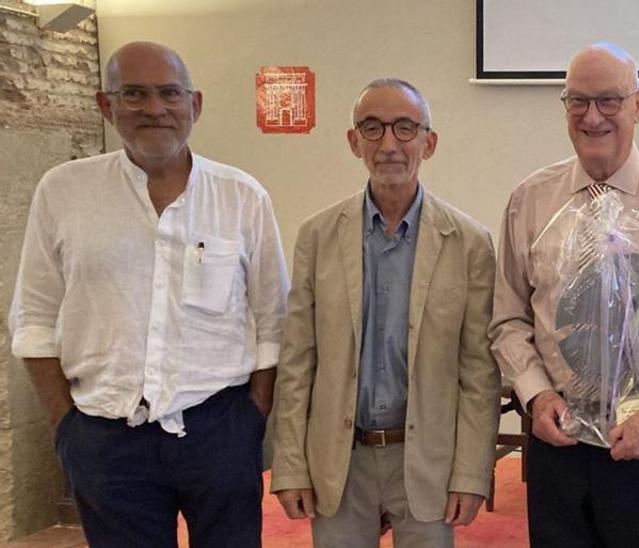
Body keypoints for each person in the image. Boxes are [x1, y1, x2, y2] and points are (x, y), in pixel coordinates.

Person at [8, 41, 287, 547]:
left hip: (219, 428)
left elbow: (274, 319)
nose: (154, 109)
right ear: (105, 104)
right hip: (105, 435)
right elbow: (34, 318)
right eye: (133, 94)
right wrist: (67, 425)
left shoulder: (242, 196)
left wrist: (253, 416)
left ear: (194, 104)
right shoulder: (63, 191)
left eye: (169, 93)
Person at [489, 43, 639, 547]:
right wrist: (535, 394)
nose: (592, 116)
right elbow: (508, 318)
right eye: (577, 101)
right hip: (556, 439)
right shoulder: (530, 200)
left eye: (609, 100)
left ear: (638, 105)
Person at [270, 79, 500, 547]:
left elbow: (478, 371)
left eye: (405, 128)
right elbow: (298, 361)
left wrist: (472, 473)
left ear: (428, 143)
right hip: (340, 461)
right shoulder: (317, 237)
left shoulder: (469, 243)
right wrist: (289, 462)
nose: (389, 144)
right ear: (354, 141)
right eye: (372, 128)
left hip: (427, 461)